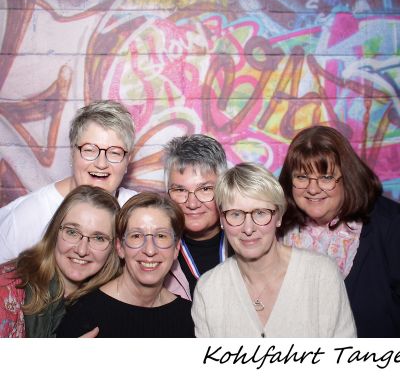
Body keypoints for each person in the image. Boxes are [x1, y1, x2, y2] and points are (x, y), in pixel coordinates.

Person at [192, 162, 356, 337]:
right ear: (221, 220)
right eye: (236, 214)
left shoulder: (321, 275)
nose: (248, 228)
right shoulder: (209, 289)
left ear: (279, 217)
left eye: (260, 213)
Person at [278, 125, 400, 338]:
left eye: (326, 177)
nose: (313, 189)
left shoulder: (390, 224)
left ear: (347, 177)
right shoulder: (276, 227)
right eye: (302, 177)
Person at [0, 100, 136, 263]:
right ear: (72, 153)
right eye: (89, 150)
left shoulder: (137, 212)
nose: (101, 163)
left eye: (115, 153)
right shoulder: (28, 217)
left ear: (128, 160)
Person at [56, 192, 194, 338]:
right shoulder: (83, 314)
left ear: (176, 248)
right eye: (136, 236)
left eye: (161, 236)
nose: (150, 250)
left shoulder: (190, 316)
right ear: (120, 247)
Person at [0, 185, 120, 337]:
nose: (82, 250)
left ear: (114, 247)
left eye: (98, 238)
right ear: (55, 232)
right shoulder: (7, 288)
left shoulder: (114, 300)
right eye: (72, 232)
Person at [162, 134, 229, 299]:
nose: (192, 204)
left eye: (205, 189)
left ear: (223, 189)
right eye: (180, 190)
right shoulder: (156, 250)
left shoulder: (247, 243)